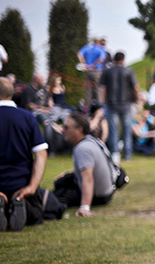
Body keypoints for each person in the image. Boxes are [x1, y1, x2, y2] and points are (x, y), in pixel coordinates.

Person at [0, 77, 49, 231]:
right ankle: (20, 203)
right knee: (36, 208)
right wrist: (32, 186)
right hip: (21, 184)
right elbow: (41, 154)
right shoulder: (27, 117)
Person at [54, 112, 116, 217]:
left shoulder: (83, 148)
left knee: (54, 197)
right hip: (108, 192)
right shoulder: (92, 141)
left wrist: (85, 207)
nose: (63, 130)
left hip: (99, 196)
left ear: (79, 129)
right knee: (61, 182)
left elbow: (88, 178)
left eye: (66, 127)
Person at [99, 51, 140, 163]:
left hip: (112, 104)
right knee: (127, 130)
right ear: (123, 59)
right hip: (126, 104)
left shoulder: (107, 72)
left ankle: (115, 154)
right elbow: (135, 87)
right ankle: (127, 154)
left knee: (113, 130)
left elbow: (103, 89)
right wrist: (137, 99)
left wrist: (104, 101)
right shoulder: (128, 71)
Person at [77, 37, 106, 107]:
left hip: (88, 71)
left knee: (88, 90)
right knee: (98, 90)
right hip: (97, 71)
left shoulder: (87, 47)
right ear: (98, 42)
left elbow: (79, 54)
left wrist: (84, 64)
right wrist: (93, 65)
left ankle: (88, 108)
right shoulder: (100, 48)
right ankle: (99, 108)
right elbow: (101, 59)